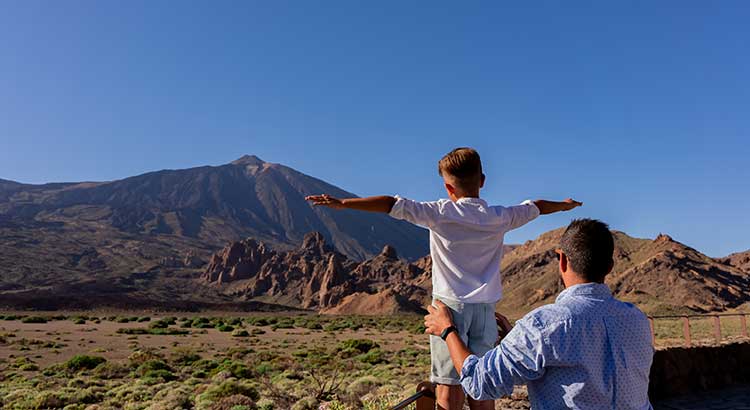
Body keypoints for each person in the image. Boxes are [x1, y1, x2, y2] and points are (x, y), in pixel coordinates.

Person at [306, 147, 582, 410]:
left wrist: (344, 203)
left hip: (448, 312)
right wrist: (564, 206)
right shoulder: (501, 216)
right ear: (482, 181)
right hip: (486, 312)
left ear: (448, 188)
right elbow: (536, 206)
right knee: (483, 383)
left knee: (448, 386)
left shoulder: (440, 212)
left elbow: (391, 204)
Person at [424, 219, 654, 410]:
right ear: (610, 266)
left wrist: (448, 330)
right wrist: (518, 340)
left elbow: (479, 382)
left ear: (562, 260)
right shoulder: (637, 320)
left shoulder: (543, 326)